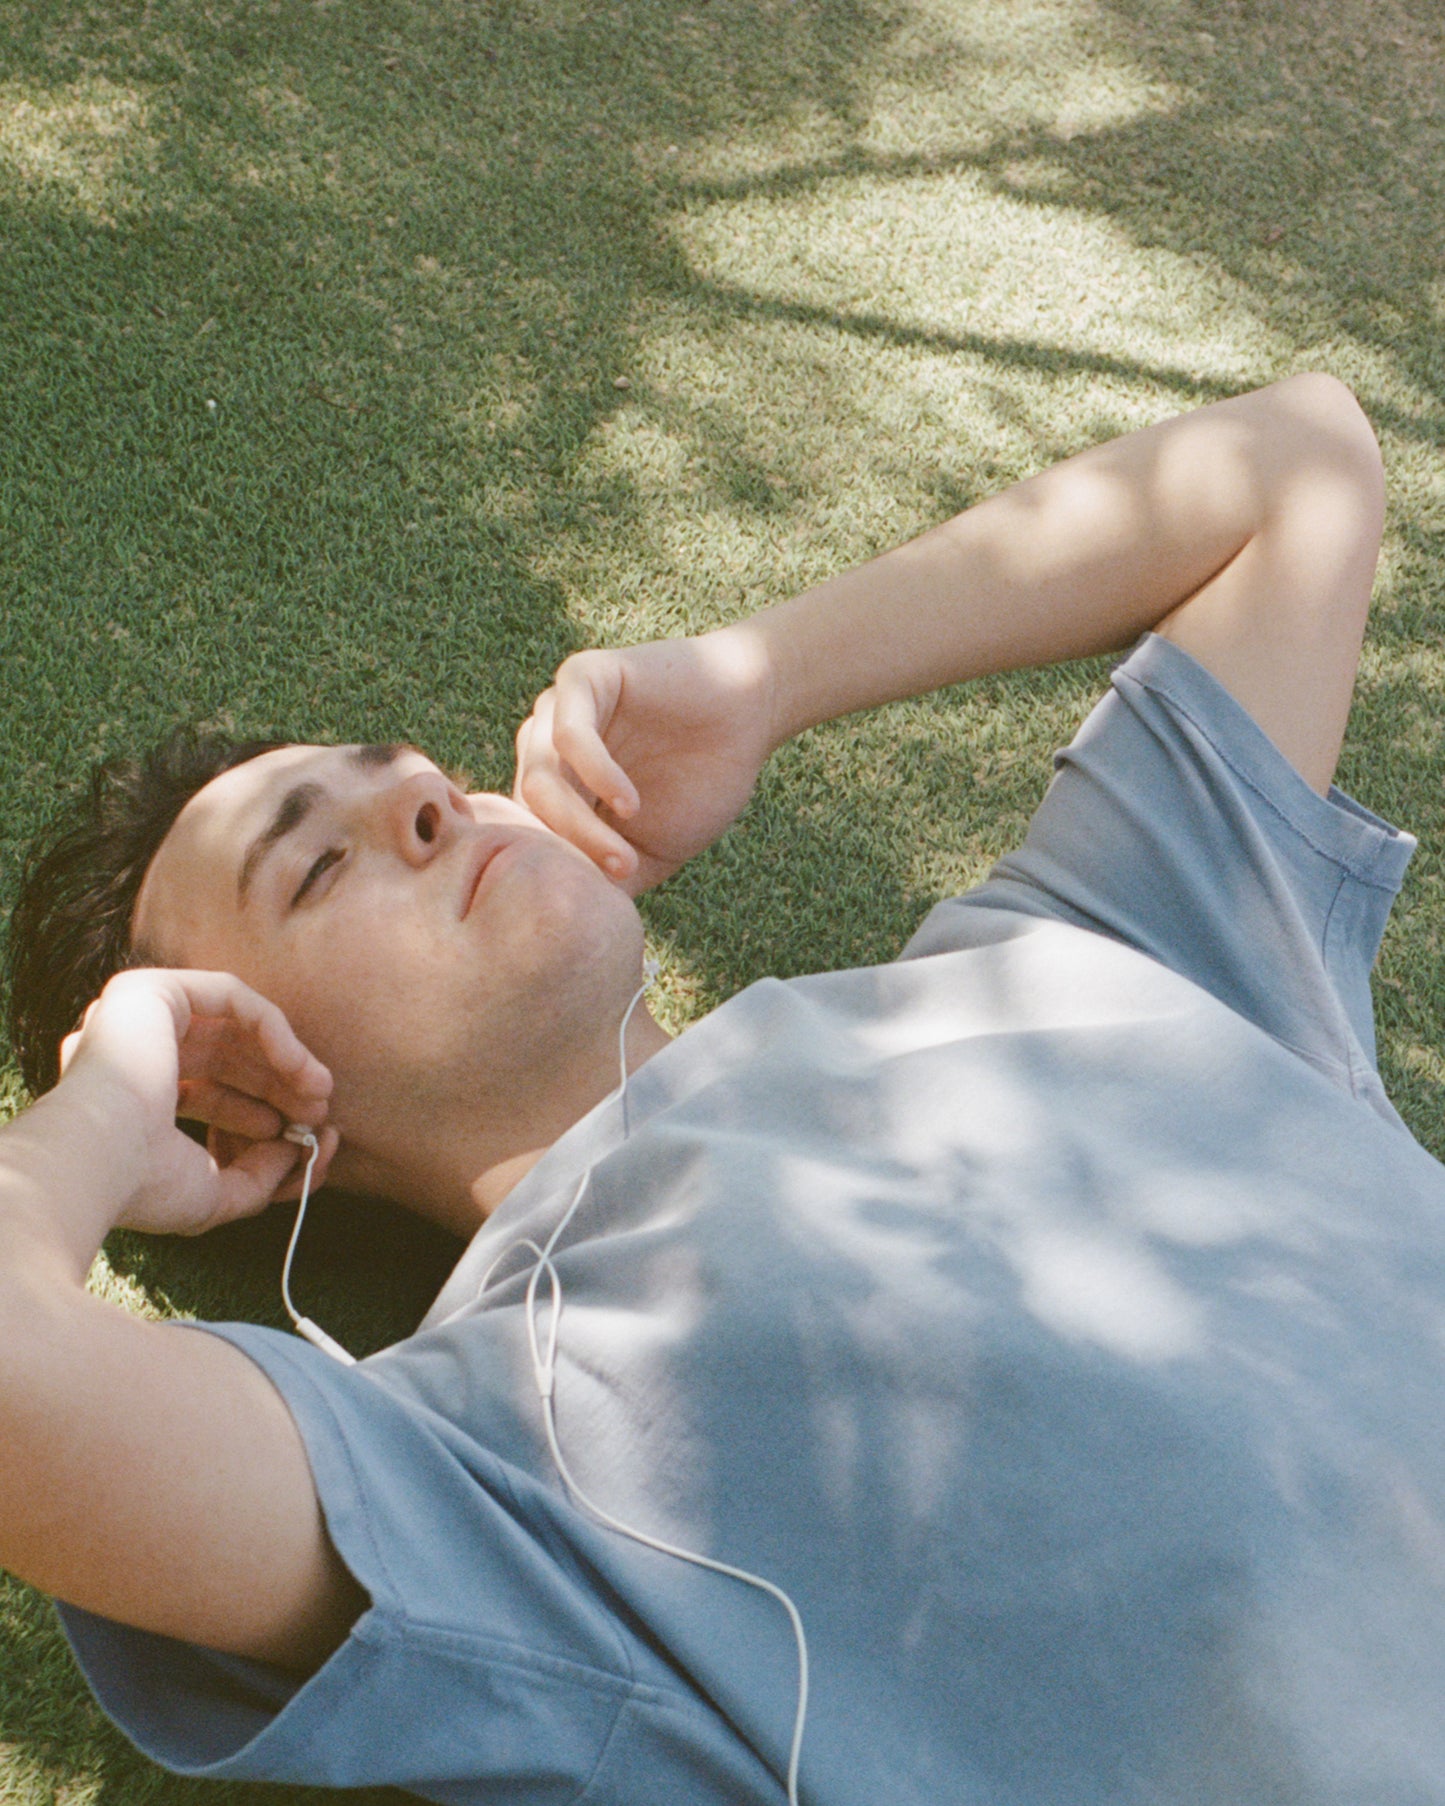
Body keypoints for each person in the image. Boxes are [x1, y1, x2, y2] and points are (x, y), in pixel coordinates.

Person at [3, 372, 1442, 1803]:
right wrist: (121, 1086)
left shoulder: (1077, 942)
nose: (423, 801)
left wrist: (761, 678)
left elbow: (1295, 464)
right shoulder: (488, 1474)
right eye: (319, 865)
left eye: (412, 775)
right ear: (250, 1099)